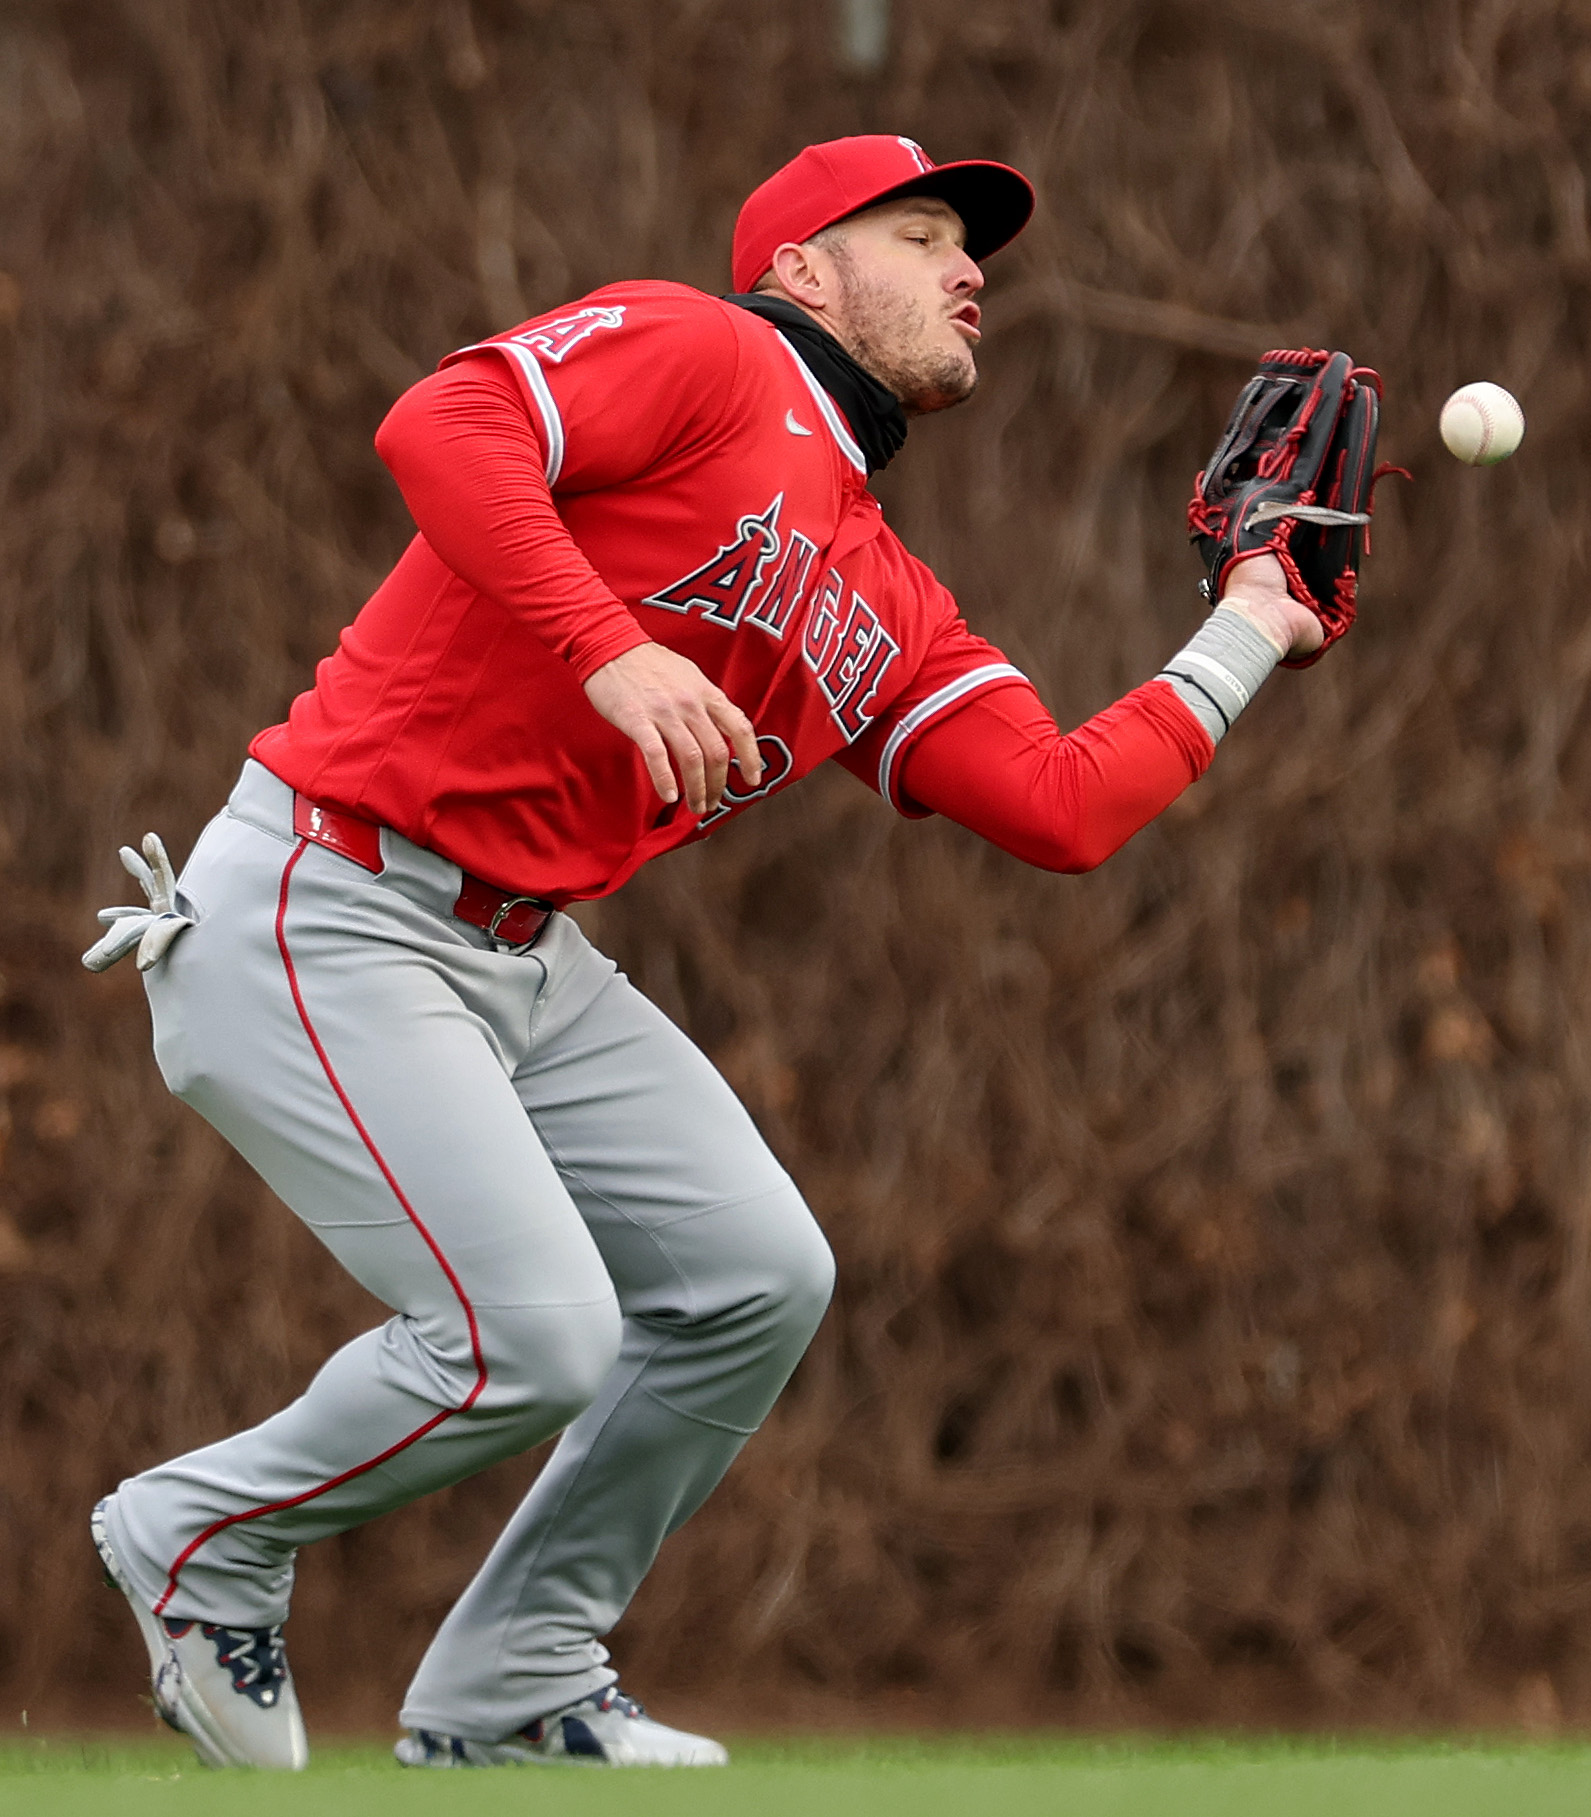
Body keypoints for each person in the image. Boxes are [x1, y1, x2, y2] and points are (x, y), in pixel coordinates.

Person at [80, 134, 1327, 1770]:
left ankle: (514, 1673)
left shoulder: (880, 586)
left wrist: (1249, 618)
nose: (970, 271)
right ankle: (199, 1530)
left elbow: (1055, 804)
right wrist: (609, 655)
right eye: (924, 232)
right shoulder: (704, 347)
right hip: (325, 896)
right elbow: (437, 423)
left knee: (755, 1277)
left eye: (976, 252)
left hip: (520, 957)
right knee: (528, 1335)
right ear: (803, 267)